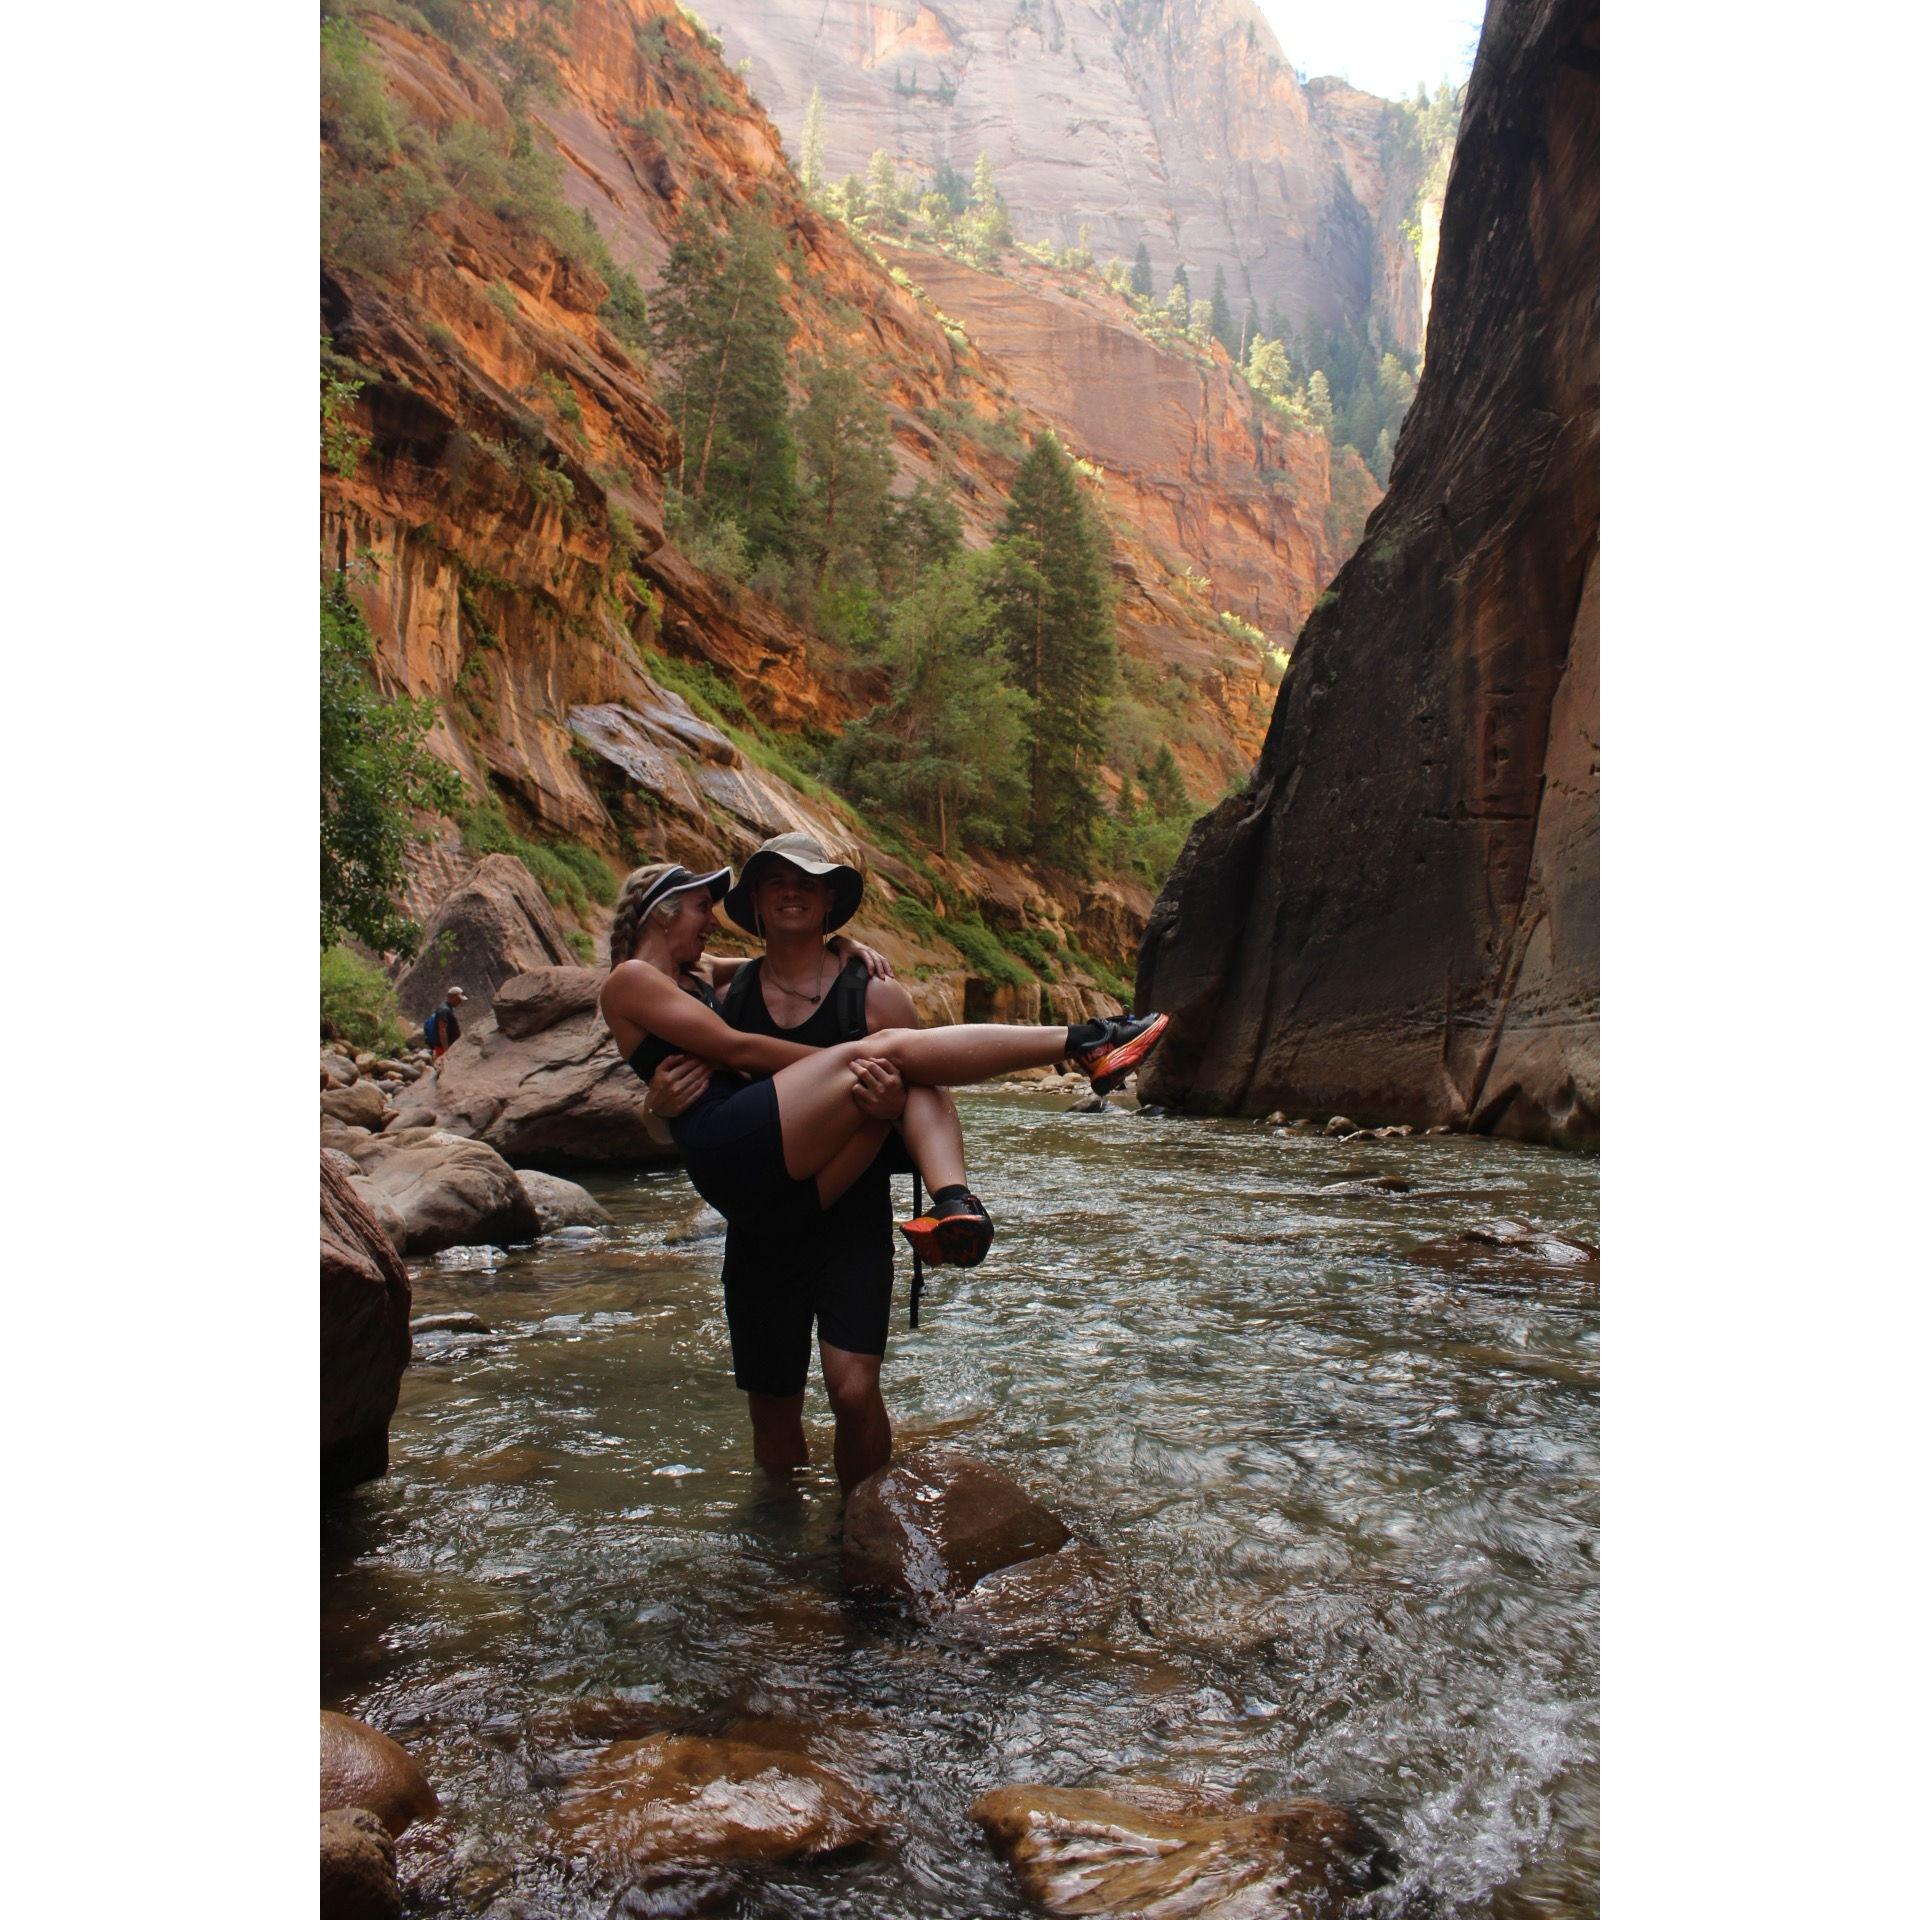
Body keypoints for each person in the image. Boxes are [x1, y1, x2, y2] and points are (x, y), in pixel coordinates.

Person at [598, 861, 1168, 1464]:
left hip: (809, 1189)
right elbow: (734, 1050)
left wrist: (846, 947)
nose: (710, 920)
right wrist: (853, 1059)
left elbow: (775, 968)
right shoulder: (636, 978)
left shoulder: (703, 976)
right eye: (700, 907)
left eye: (809, 889)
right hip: (736, 1157)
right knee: (894, 1056)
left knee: (853, 1389)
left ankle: (955, 1200)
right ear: (663, 911)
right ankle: (1088, 1040)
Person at [644, 832, 990, 1490]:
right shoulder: (724, 996)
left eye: (808, 880)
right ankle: (778, 1555)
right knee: (772, 1413)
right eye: (775, 880)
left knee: (853, 1390)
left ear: (831, 899)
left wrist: (900, 1121)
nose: (792, 890)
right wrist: (654, 1110)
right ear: (756, 901)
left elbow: (931, 1094)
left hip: (850, 1217)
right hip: (760, 1226)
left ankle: (863, 1524)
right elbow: (689, 1121)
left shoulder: (874, 996)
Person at [425, 986, 466, 1062]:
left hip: (447, 1046)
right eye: (459, 999)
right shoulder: (444, 1010)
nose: (460, 1002)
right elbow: (442, 1031)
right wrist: (447, 1052)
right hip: (443, 1048)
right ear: (452, 997)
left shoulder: (447, 1008)